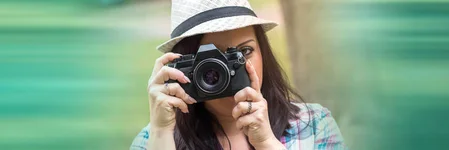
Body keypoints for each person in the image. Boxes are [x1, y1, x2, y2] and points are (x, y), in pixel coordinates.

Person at [130, 0, 346, 149]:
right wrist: (161, 134)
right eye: (212, 63)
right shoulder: (152, 140)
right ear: (183, 66)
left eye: (243, 52)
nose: (229, 70)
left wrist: (267, 143)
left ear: (264, 53)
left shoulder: (316, 125)